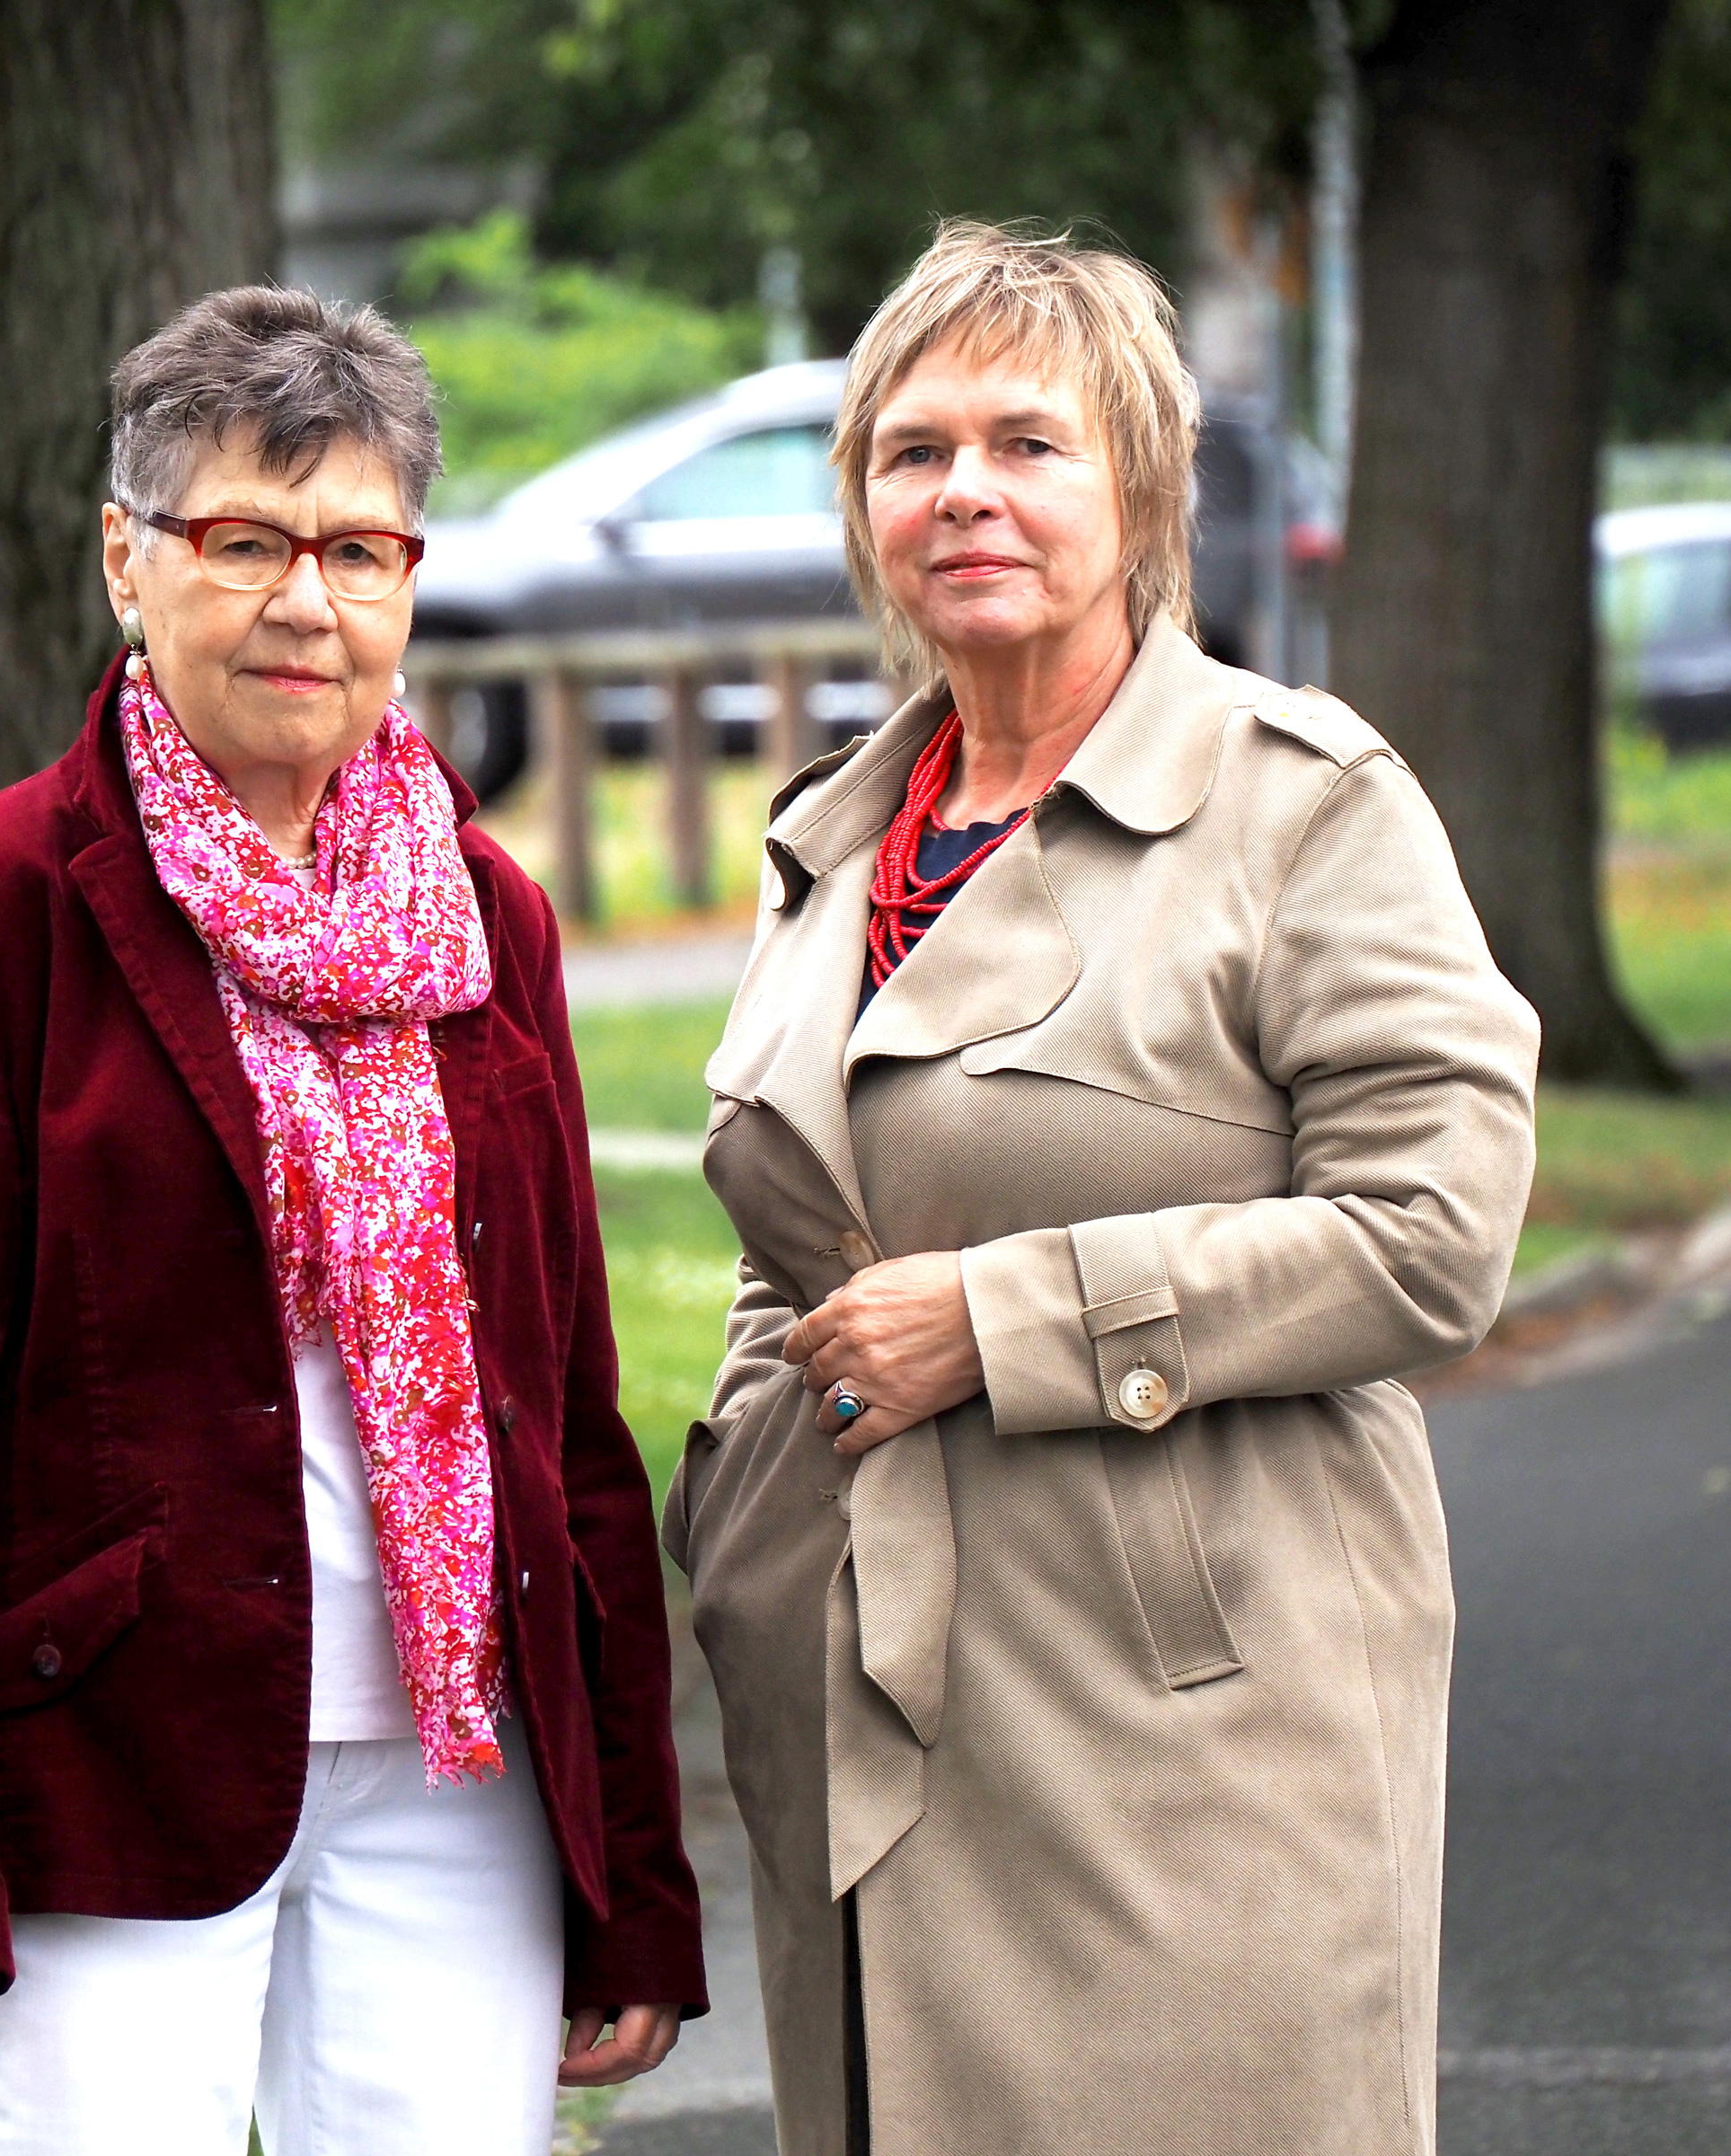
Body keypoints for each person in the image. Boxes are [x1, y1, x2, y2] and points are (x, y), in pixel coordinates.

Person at [665, 220, 1539, 2156]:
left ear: (1141, 490)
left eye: (1029, 444)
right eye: (912, 450)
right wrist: (746, 1507)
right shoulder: (834, 838)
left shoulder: (1305, 802)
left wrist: (998, 1325)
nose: (964, 489)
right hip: (866, 1711)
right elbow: (797, 1230)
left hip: (1191, 1739)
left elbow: (1432, 1237)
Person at [0, 285, 702, 2156]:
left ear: (408, 579)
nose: (307, 601)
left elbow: (569, 1415)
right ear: (128, 567)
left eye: (359, 549)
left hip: (463, 1767)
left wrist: (633, 1858)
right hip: (117, 1760)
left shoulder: (490, 920)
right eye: (245, 540)